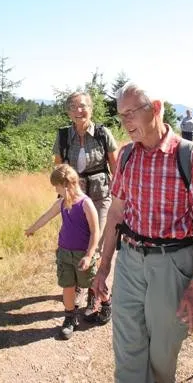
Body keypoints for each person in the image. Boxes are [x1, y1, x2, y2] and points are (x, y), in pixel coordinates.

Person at [92, 82, 193, 383]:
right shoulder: (128, 155)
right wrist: (104, 267)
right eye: (121, 116)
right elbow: (116, 213)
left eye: (132, 112)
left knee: (164, 347)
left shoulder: (191, 157)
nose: (127, 122)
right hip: (131, 259)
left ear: (157, 107)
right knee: (128, 345)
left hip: (173, 263)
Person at [53, 91, 118, 322]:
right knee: (77, 244)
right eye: (74, 107)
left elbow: (115, 166)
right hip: (74, 199)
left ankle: (96, 295)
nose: (79, 110)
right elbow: (58, 169)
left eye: (83, 106)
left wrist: (122, 199)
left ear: (91, 108)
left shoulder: (102, 133)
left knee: (96, 244)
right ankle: (79, 284)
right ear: (69, 112)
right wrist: (60, 196)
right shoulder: (63, 137)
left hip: (100, 197)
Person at [24, 164, 101, 340]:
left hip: (83, 255)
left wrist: (89, 255)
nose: (56, 191)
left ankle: (103, 302)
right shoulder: (61, 202)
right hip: (64, 253)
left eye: (57, 187)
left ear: (67, 185)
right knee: (68, 287)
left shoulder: (86, 204)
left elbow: (95, 231)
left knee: (91, 282)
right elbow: (46, 216)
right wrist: (32, 229)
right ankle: (70, 317)